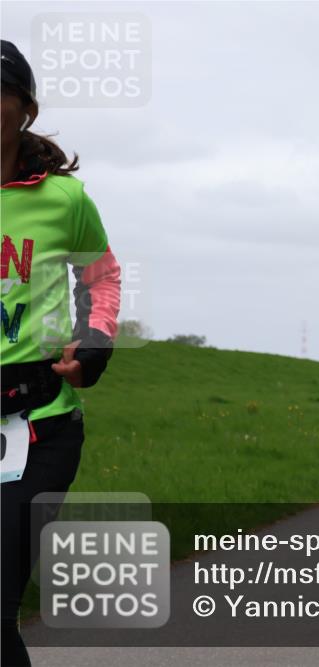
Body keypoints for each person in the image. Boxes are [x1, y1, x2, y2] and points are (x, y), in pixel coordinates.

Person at [1, 40, 122, 667]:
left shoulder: (63, 200)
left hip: (39, 424)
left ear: (24, 108)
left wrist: (96, 341)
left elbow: (100, 277)